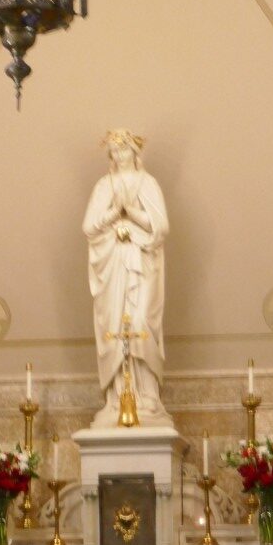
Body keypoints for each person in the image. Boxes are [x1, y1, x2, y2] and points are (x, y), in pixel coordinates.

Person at [83, 130, 172, 426]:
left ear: (135, 153)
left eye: (124, 150)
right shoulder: (103, 185)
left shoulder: (148, 183)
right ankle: (116, 400)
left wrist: (130, 211)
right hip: (113, 264)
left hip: (143, 263)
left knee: (141, 323)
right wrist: (113, 214)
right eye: (114, 151)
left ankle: (147, 396)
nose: (120, 156)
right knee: (113, 327)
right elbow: (89, 227)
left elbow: (160, 226)